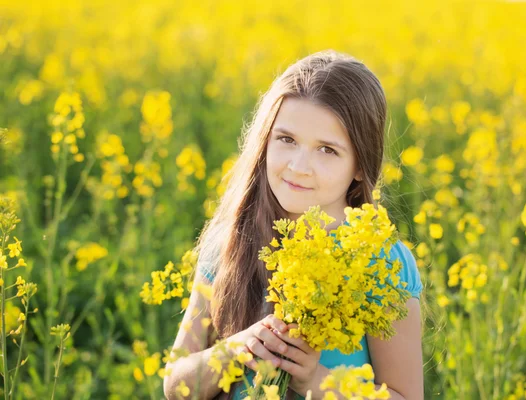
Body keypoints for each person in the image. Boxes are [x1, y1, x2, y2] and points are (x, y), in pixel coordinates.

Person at [163, 49, 424, 400]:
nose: (299, 166)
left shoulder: (383, 262)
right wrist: (235, 350)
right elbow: (175, 385)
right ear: (265, 142)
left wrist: (313, 379)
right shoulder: (231, 241)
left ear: (361, 166)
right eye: (286, 140)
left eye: (327, 150)